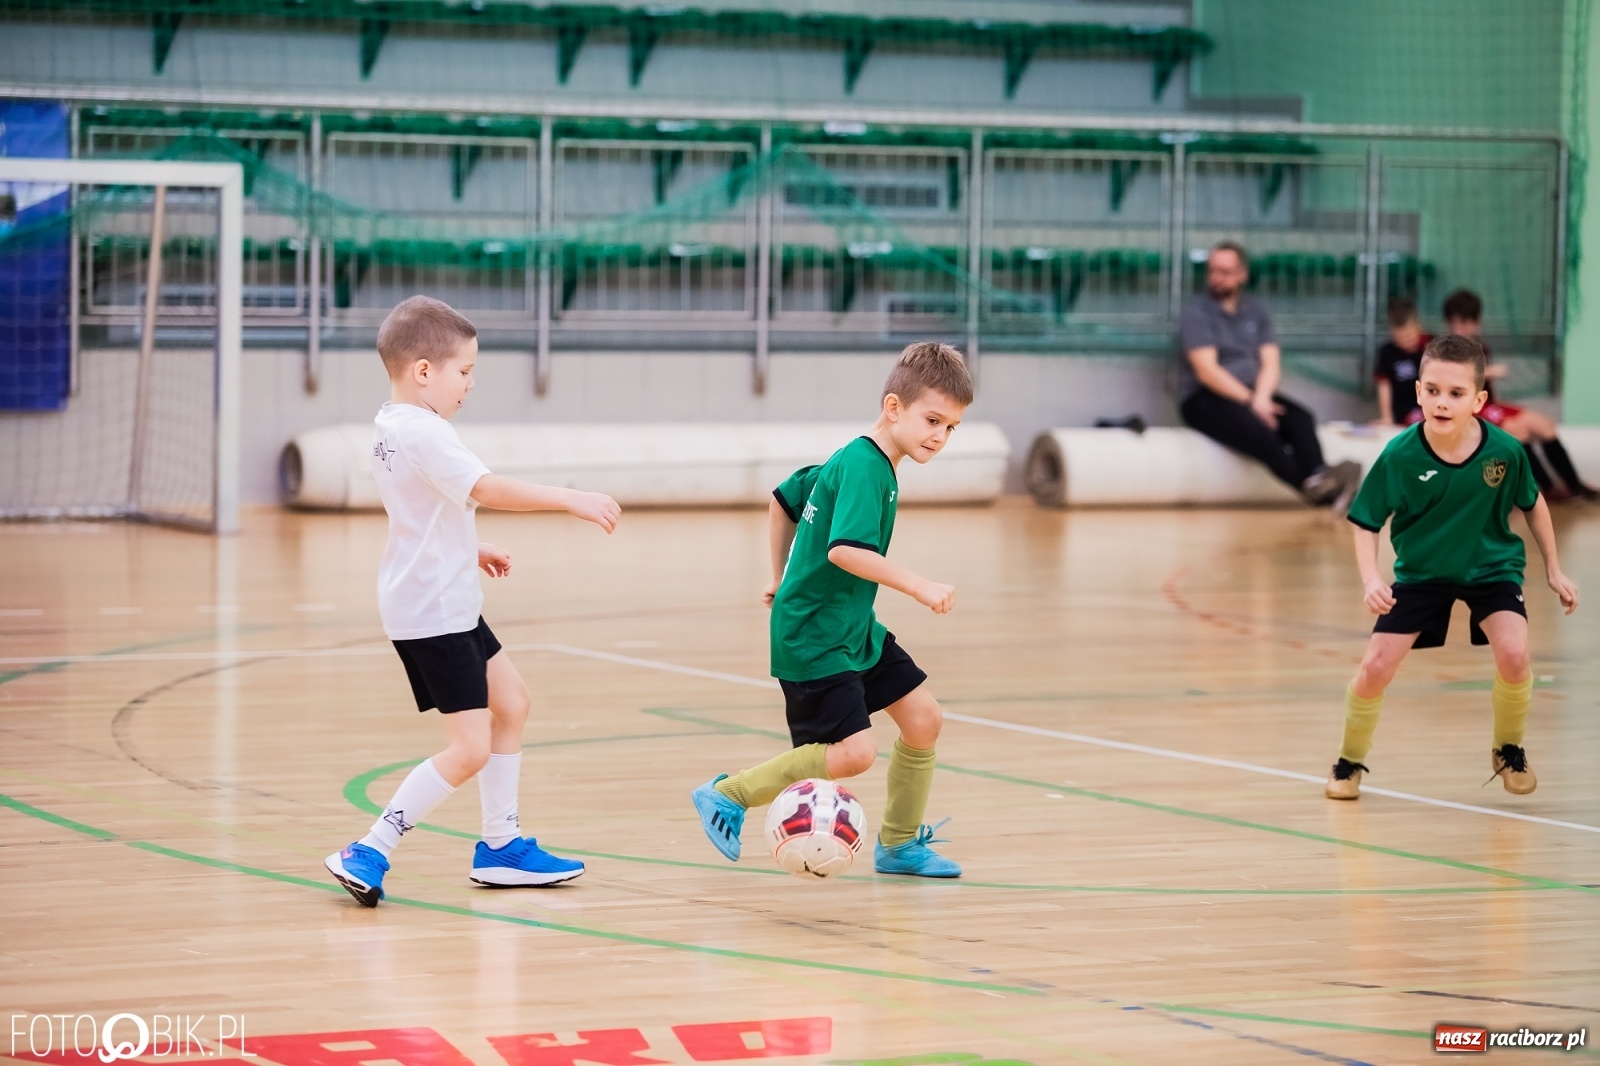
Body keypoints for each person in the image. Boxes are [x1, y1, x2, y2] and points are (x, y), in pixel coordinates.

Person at [325, 295, 622, 907]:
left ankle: (501, 847)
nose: (470, 384)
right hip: (433, 611)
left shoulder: (393, 425)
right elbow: (483, 487)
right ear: (424, 371)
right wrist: (570, 498)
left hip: (441, 596)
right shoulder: (427, 432)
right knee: (469, 747)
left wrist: (469, 544)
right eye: (463, 372)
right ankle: (371, 847)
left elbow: (423, 509)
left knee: (511, 702)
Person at [691, 342, 971, 878]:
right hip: (815, 633)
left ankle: (899, 845)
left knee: (923, 719)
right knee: (852, 754)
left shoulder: (859, 459)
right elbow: (846, 550)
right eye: (932, 420)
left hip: (851, 626)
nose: (940, 436)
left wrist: (779, 575)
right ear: (894, 407)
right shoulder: (866, 467)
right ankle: (728, 793)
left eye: (951, 427)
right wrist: (917, 585)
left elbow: (784, 498)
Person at [1325, 334, 1578, 801]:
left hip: (1492, 570)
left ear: (1479, 400)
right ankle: (1348, 760)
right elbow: (1365, 521)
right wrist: (1371, 578)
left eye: (1456, 393)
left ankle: (1508, 750)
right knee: (1376, 666)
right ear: (1418, 391)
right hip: (1422, 574)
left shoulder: (1505, 451)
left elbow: (1534, 503)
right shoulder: (1401, 455)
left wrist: (1554, 570)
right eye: (1433, 391)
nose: (1443, 402)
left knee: (1516, 655)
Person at [1178, 241, 1360, 510]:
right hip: (1204, 398)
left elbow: (1270, 361)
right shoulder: (1197, 313)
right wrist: (1252, 402)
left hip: (1253, 391)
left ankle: (1319, 475)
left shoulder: (1255, 310)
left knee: (1299, 418)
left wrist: (1261, 398)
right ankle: (1318, 489)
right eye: (1213, 271)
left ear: (1243, 274)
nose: (1218, 278)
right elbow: (1207, 372)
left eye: (1226, 272)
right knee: (1260, 430)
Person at [1442, 288, 1597, 499]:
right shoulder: (1445, 350)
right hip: (1468, 409)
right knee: (1518, 430)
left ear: (1477, 322)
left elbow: (1486, 389)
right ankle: (1545, 487)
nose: (1459, 329)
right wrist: (1489, 372)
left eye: (1465, 322)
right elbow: (1452, 380)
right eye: (1454, 323)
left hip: (1487, 404)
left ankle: (1574, 484)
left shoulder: (1481, 348)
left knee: (1544, 425)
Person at [1372, 297, 1428, 426]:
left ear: (1418, 326)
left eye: (1409, 335)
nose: (1405, 341)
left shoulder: (1433, 346)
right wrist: (1386, 417)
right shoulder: (1388, 352)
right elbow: (1384, 385)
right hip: (1404, 413)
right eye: (1400, 337)